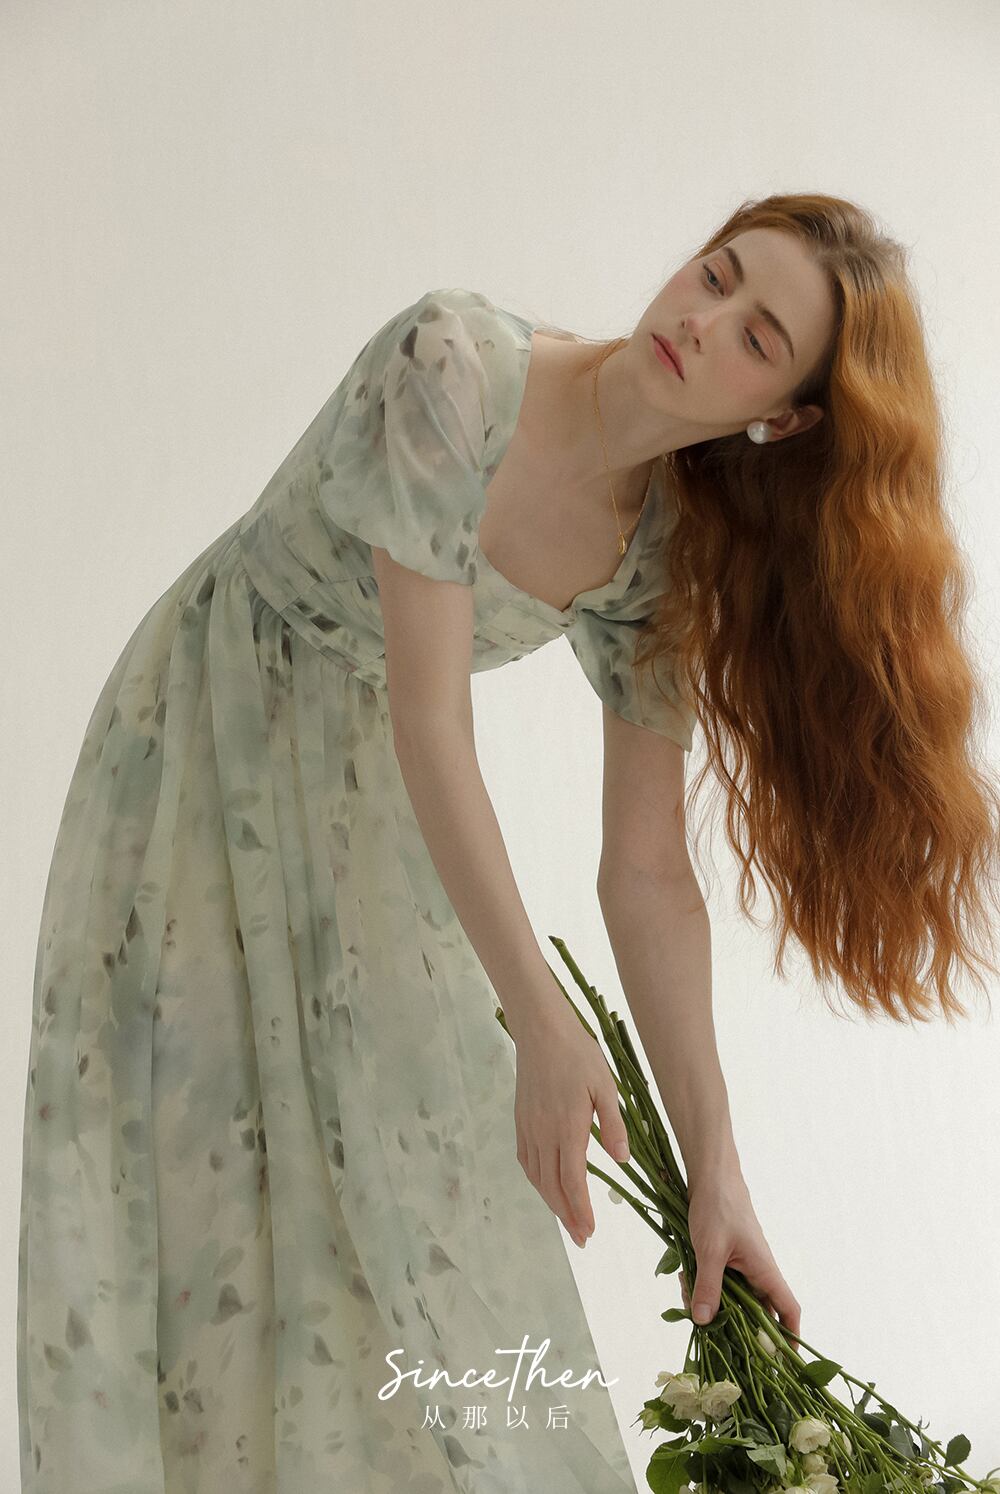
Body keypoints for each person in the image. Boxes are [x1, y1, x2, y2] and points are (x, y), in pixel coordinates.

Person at [16, 190, 1000, 1493]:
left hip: (373, 808)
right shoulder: (455, 367)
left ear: (784, 419)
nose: (702, 322)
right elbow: (430, 717)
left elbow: (646, 870)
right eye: (717, 276)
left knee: (425, 1228)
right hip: (202, 750)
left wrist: (716, 1166)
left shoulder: (663, 553)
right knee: (195, 1217)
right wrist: (540, 1018)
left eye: (759, 338)